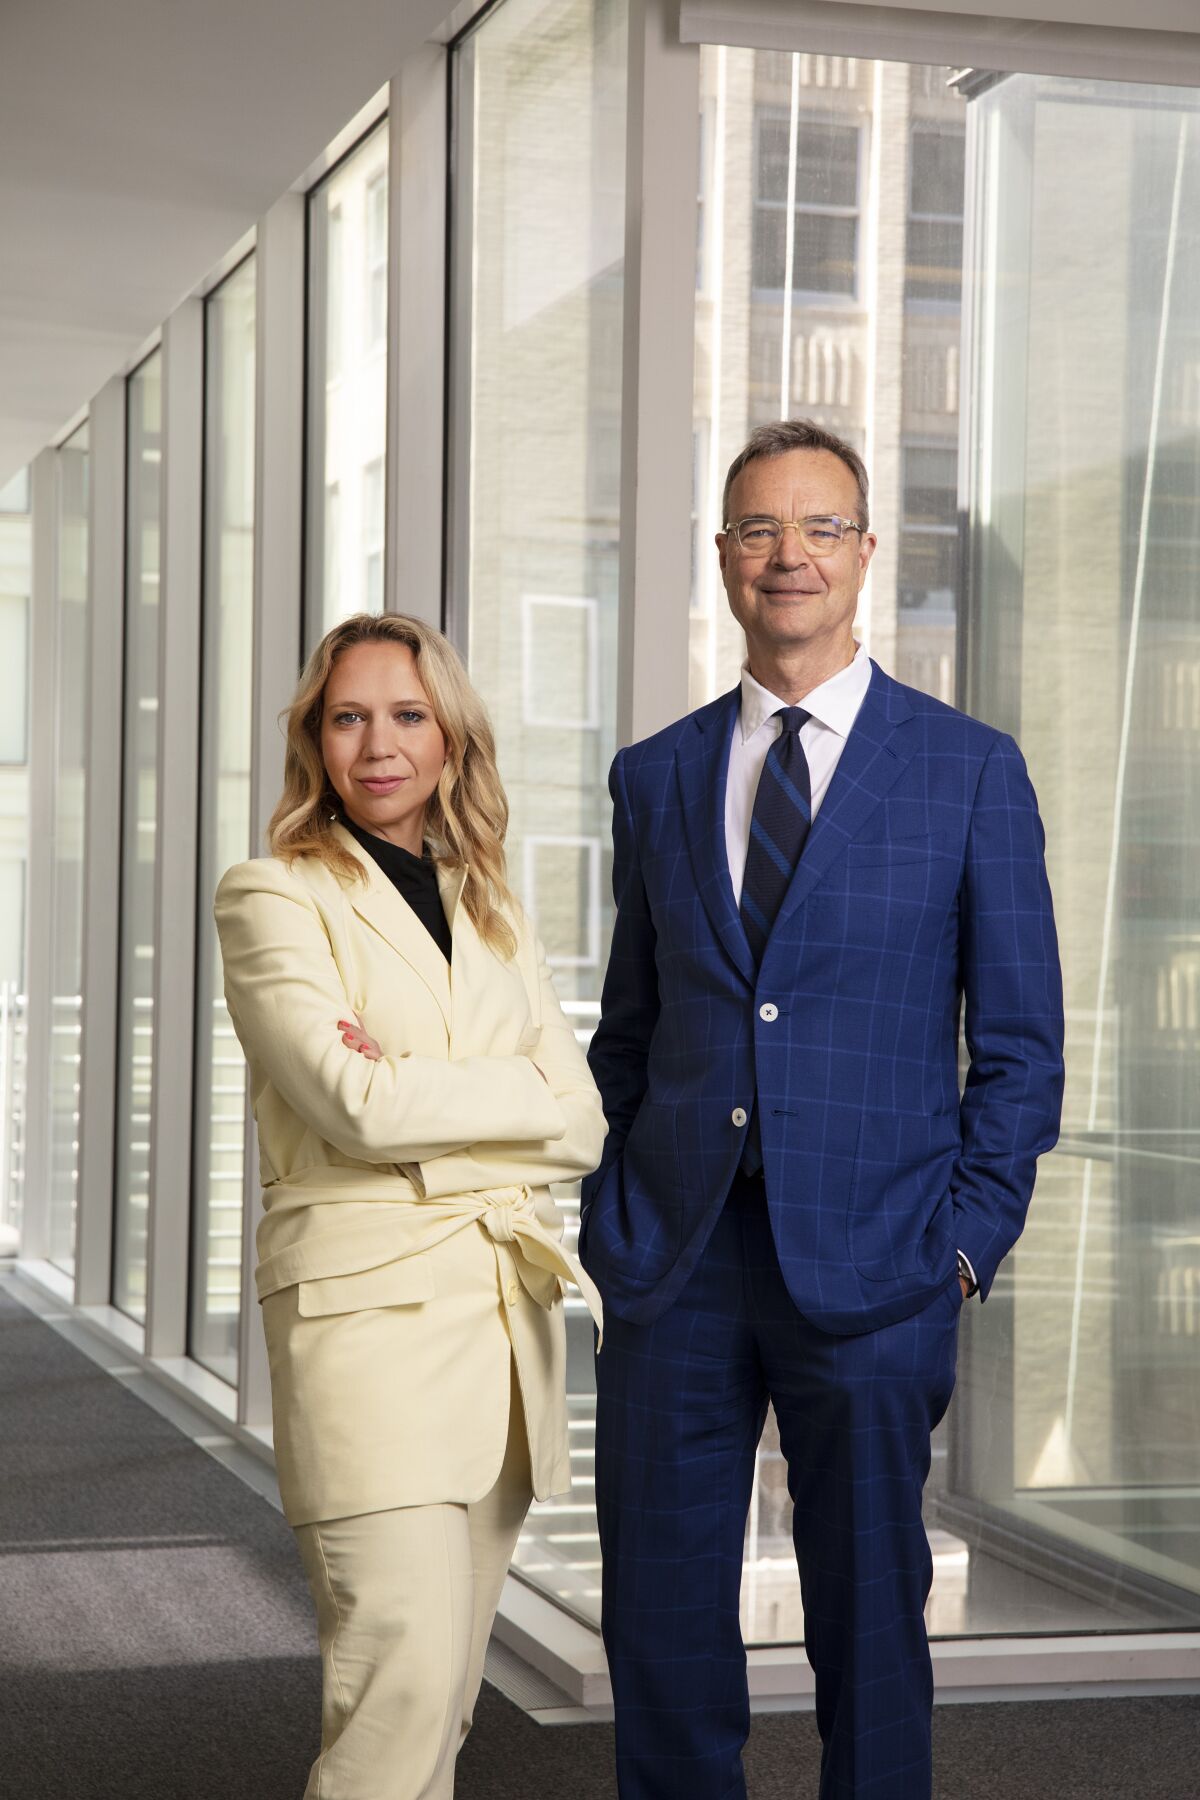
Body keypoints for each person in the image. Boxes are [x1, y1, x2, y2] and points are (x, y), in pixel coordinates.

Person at [580, 420, 1064, 1799]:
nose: (786, 554)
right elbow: (633, 1025)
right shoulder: (656, 776)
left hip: (880, 1262)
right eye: (756, 529)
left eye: (818, 528)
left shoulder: (968, 771)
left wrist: (964, 1246)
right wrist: (615, 1208)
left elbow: (1021, 1046)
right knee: (662, 1630)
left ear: (863, 555)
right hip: (674, 1264)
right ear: (724, 559)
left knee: (867, 1629)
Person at [214, 612, 605, 1800]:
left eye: (406, 715)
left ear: (450, 740)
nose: (377, 744)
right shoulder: (272, 896)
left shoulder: (490, 906)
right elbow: (354, 1105)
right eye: (347, 717)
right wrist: (508, 1103)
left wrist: (426, 1101)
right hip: (370, 1341)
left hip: (499, 1343)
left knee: (441, 1712)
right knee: (396, 1702)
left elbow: (581, 1121)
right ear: (315, 742)